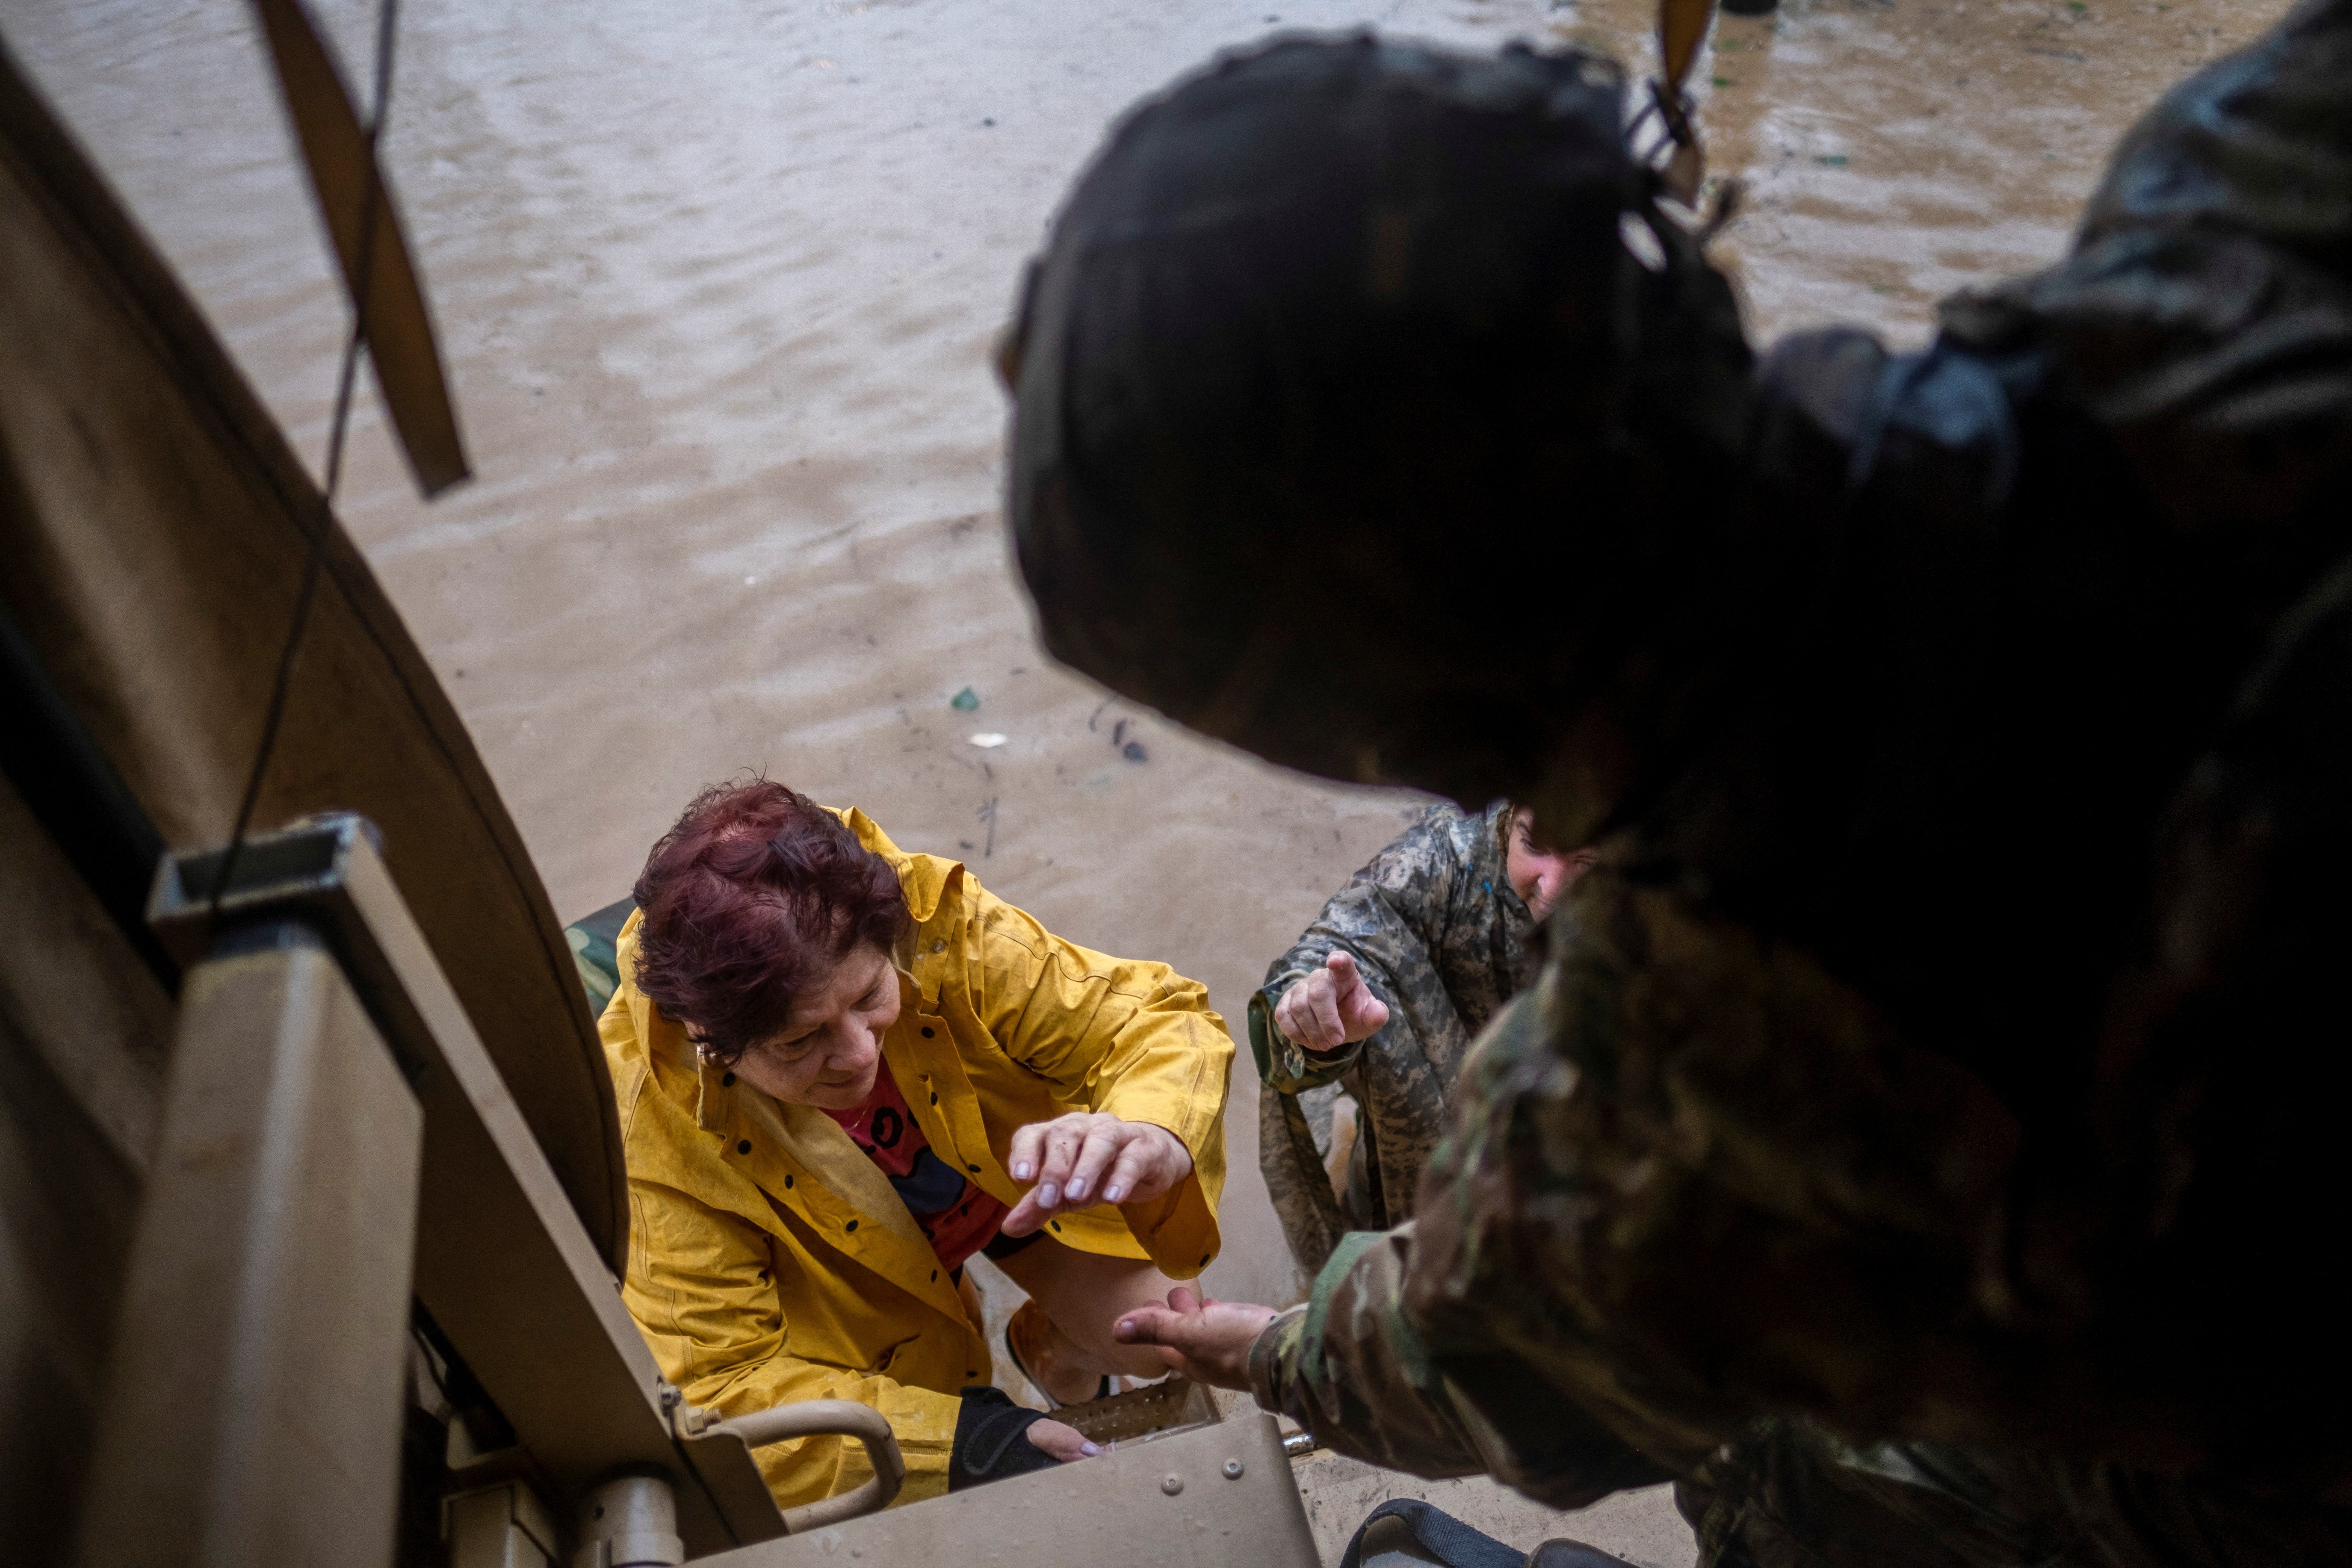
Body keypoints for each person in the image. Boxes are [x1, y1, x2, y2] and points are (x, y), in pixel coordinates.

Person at [1000, 9, 2352, 1567]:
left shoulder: (1689, 1120)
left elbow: (1456, 1361)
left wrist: (1238, 1338)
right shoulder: (2243, 209)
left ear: (1379, 737)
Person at [598, 780, 1232, 1510]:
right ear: (712, 1043)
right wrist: (965, 1444)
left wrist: (1151, 1129)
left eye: (870, 997)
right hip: (855, 1289)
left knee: (1166, 1340)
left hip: (1003, 1186)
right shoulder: (646, 1123)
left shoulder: (929, 918)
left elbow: (1153, 1019)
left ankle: (1054, 1349)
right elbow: (720, 1384)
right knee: (940, 1466)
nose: (859, 1055)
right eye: (802, 1040)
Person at [1257, 802, 1590, 1273]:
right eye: (1535, 847)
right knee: (1378, 1269)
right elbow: (1349, 936)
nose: (1552, 887)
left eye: (1587, 865)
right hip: (1432, 1157)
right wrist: (1313, 1003)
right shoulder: (1451, 856)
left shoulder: (1680, 910)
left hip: (1586, 1178)